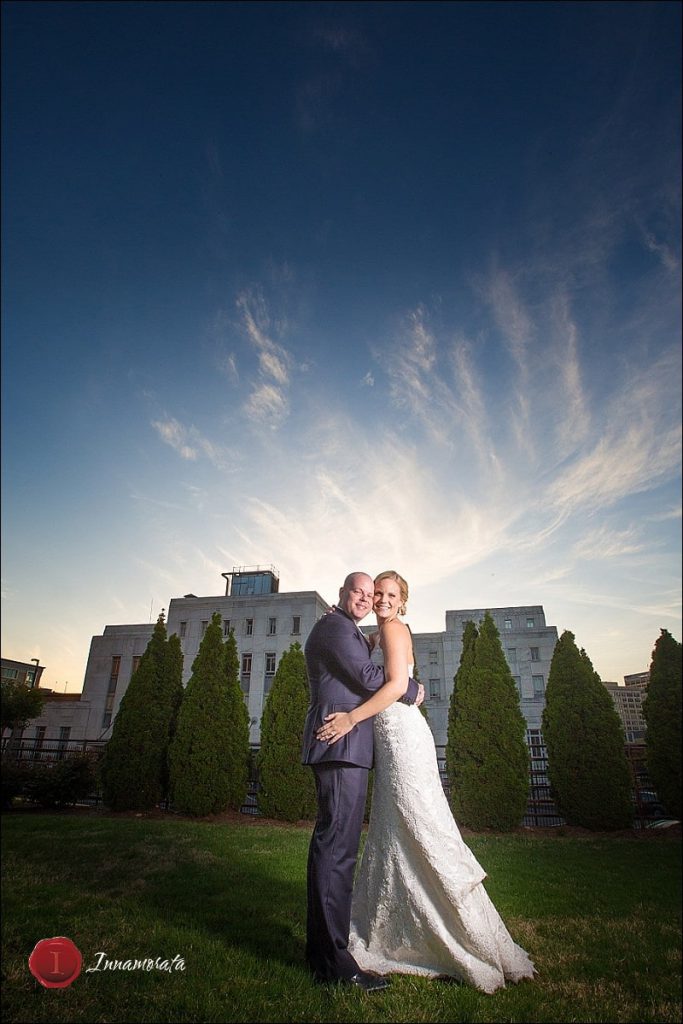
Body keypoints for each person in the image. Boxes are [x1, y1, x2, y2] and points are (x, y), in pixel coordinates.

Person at [316, 570, 536, 994]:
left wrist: (351, 718)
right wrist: (337, 615)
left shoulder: (396, 630)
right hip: (391, 739)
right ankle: (400, 930)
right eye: (376, 592)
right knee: (395, 833)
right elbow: (366, 664)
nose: (380, 599)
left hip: (403, 740)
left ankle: (463, 934)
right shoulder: (377, 635)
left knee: (424, 828)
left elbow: (396, 684)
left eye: (389, 594)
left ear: (403, 602)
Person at [301, 571, 424, 991]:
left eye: (372, 594)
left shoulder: (344, 629)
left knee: (334, 849)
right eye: (360, 591)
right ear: (342, 593)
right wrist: (412, 689)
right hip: (340, 741)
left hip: (345, 745)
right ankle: (336, 966)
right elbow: (372, 679)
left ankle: (322, 951)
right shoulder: (336, 628)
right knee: (337, 851)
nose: (366, 599)